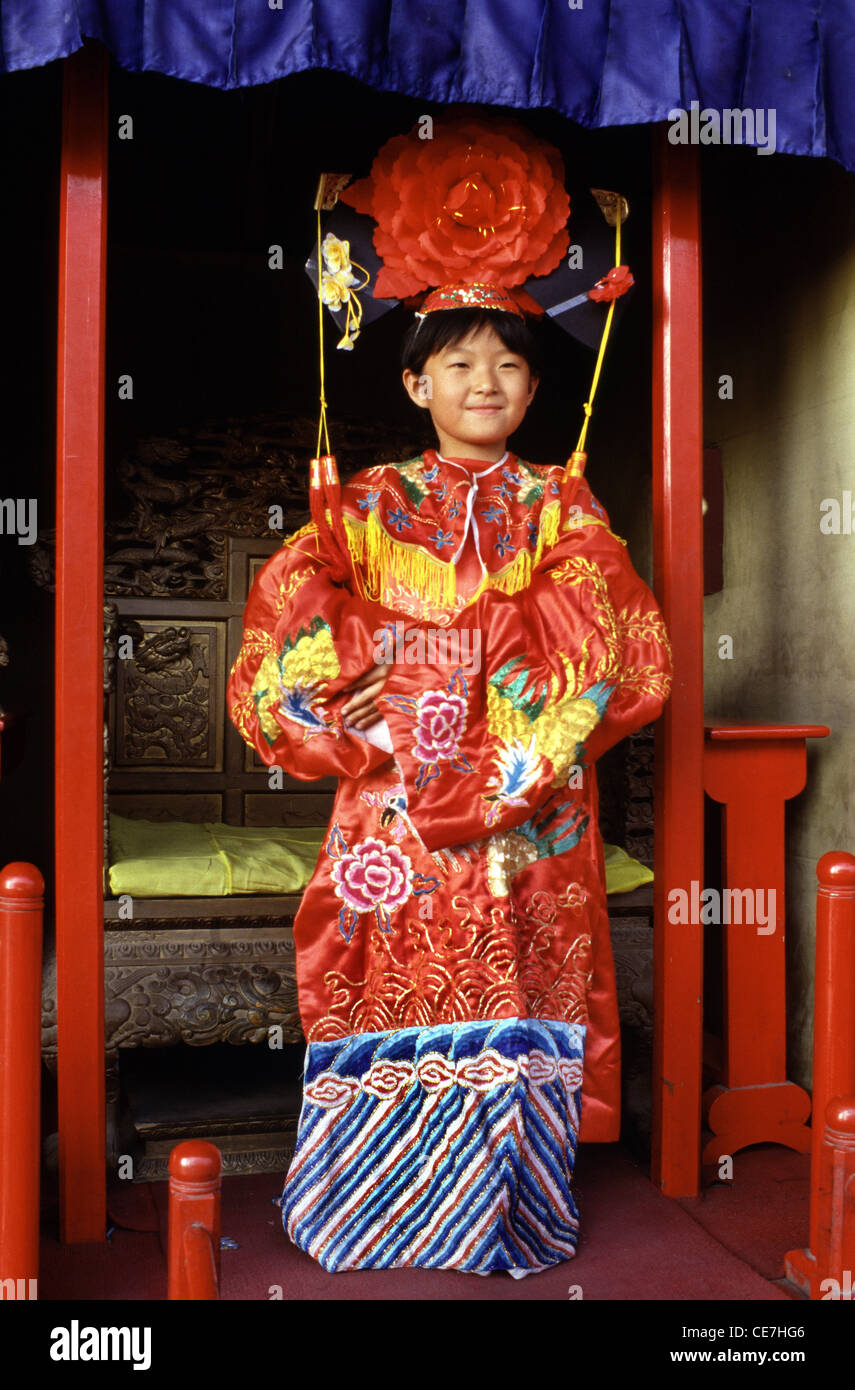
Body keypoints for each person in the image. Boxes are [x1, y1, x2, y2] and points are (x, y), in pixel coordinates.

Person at [227, 116, 672, 1276]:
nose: (487, 381)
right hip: (393, 803)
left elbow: (611, 628)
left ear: (534, 386)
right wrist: (400, 684)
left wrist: (451, 670)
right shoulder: (366, 504)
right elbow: (297, 609)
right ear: (416, 378)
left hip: (524, 817)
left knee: (521, 971)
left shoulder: (562, 508)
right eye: (460, 362)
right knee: (381, 971)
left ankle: (510, 1208)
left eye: (511, 362)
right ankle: (371, 1206)